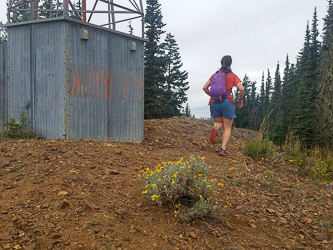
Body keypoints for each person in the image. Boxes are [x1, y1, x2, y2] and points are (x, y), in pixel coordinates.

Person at [203, 55, 244, 156]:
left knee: (218, 122)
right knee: (227, 127)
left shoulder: (214, 75)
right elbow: (241, 89)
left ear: (221, 63)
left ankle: (215, 129)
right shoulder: (233, 76)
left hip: (214, 102)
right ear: (230, 64)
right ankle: (223, 149)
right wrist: (240, 99)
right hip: (227, 101)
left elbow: (204, 87)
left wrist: (212, 95)